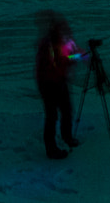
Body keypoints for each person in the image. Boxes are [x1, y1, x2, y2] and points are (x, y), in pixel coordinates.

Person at [34, 10, 86, 159]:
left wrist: (80, 54)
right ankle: (51, 149)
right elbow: (58, 62)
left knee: (66, 110)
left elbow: (70, 52)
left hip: (57, 80)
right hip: (49, 83)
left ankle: (67, 137)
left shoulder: (61, 41)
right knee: (52, 115)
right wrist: (74, 58)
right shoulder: (50, 44)